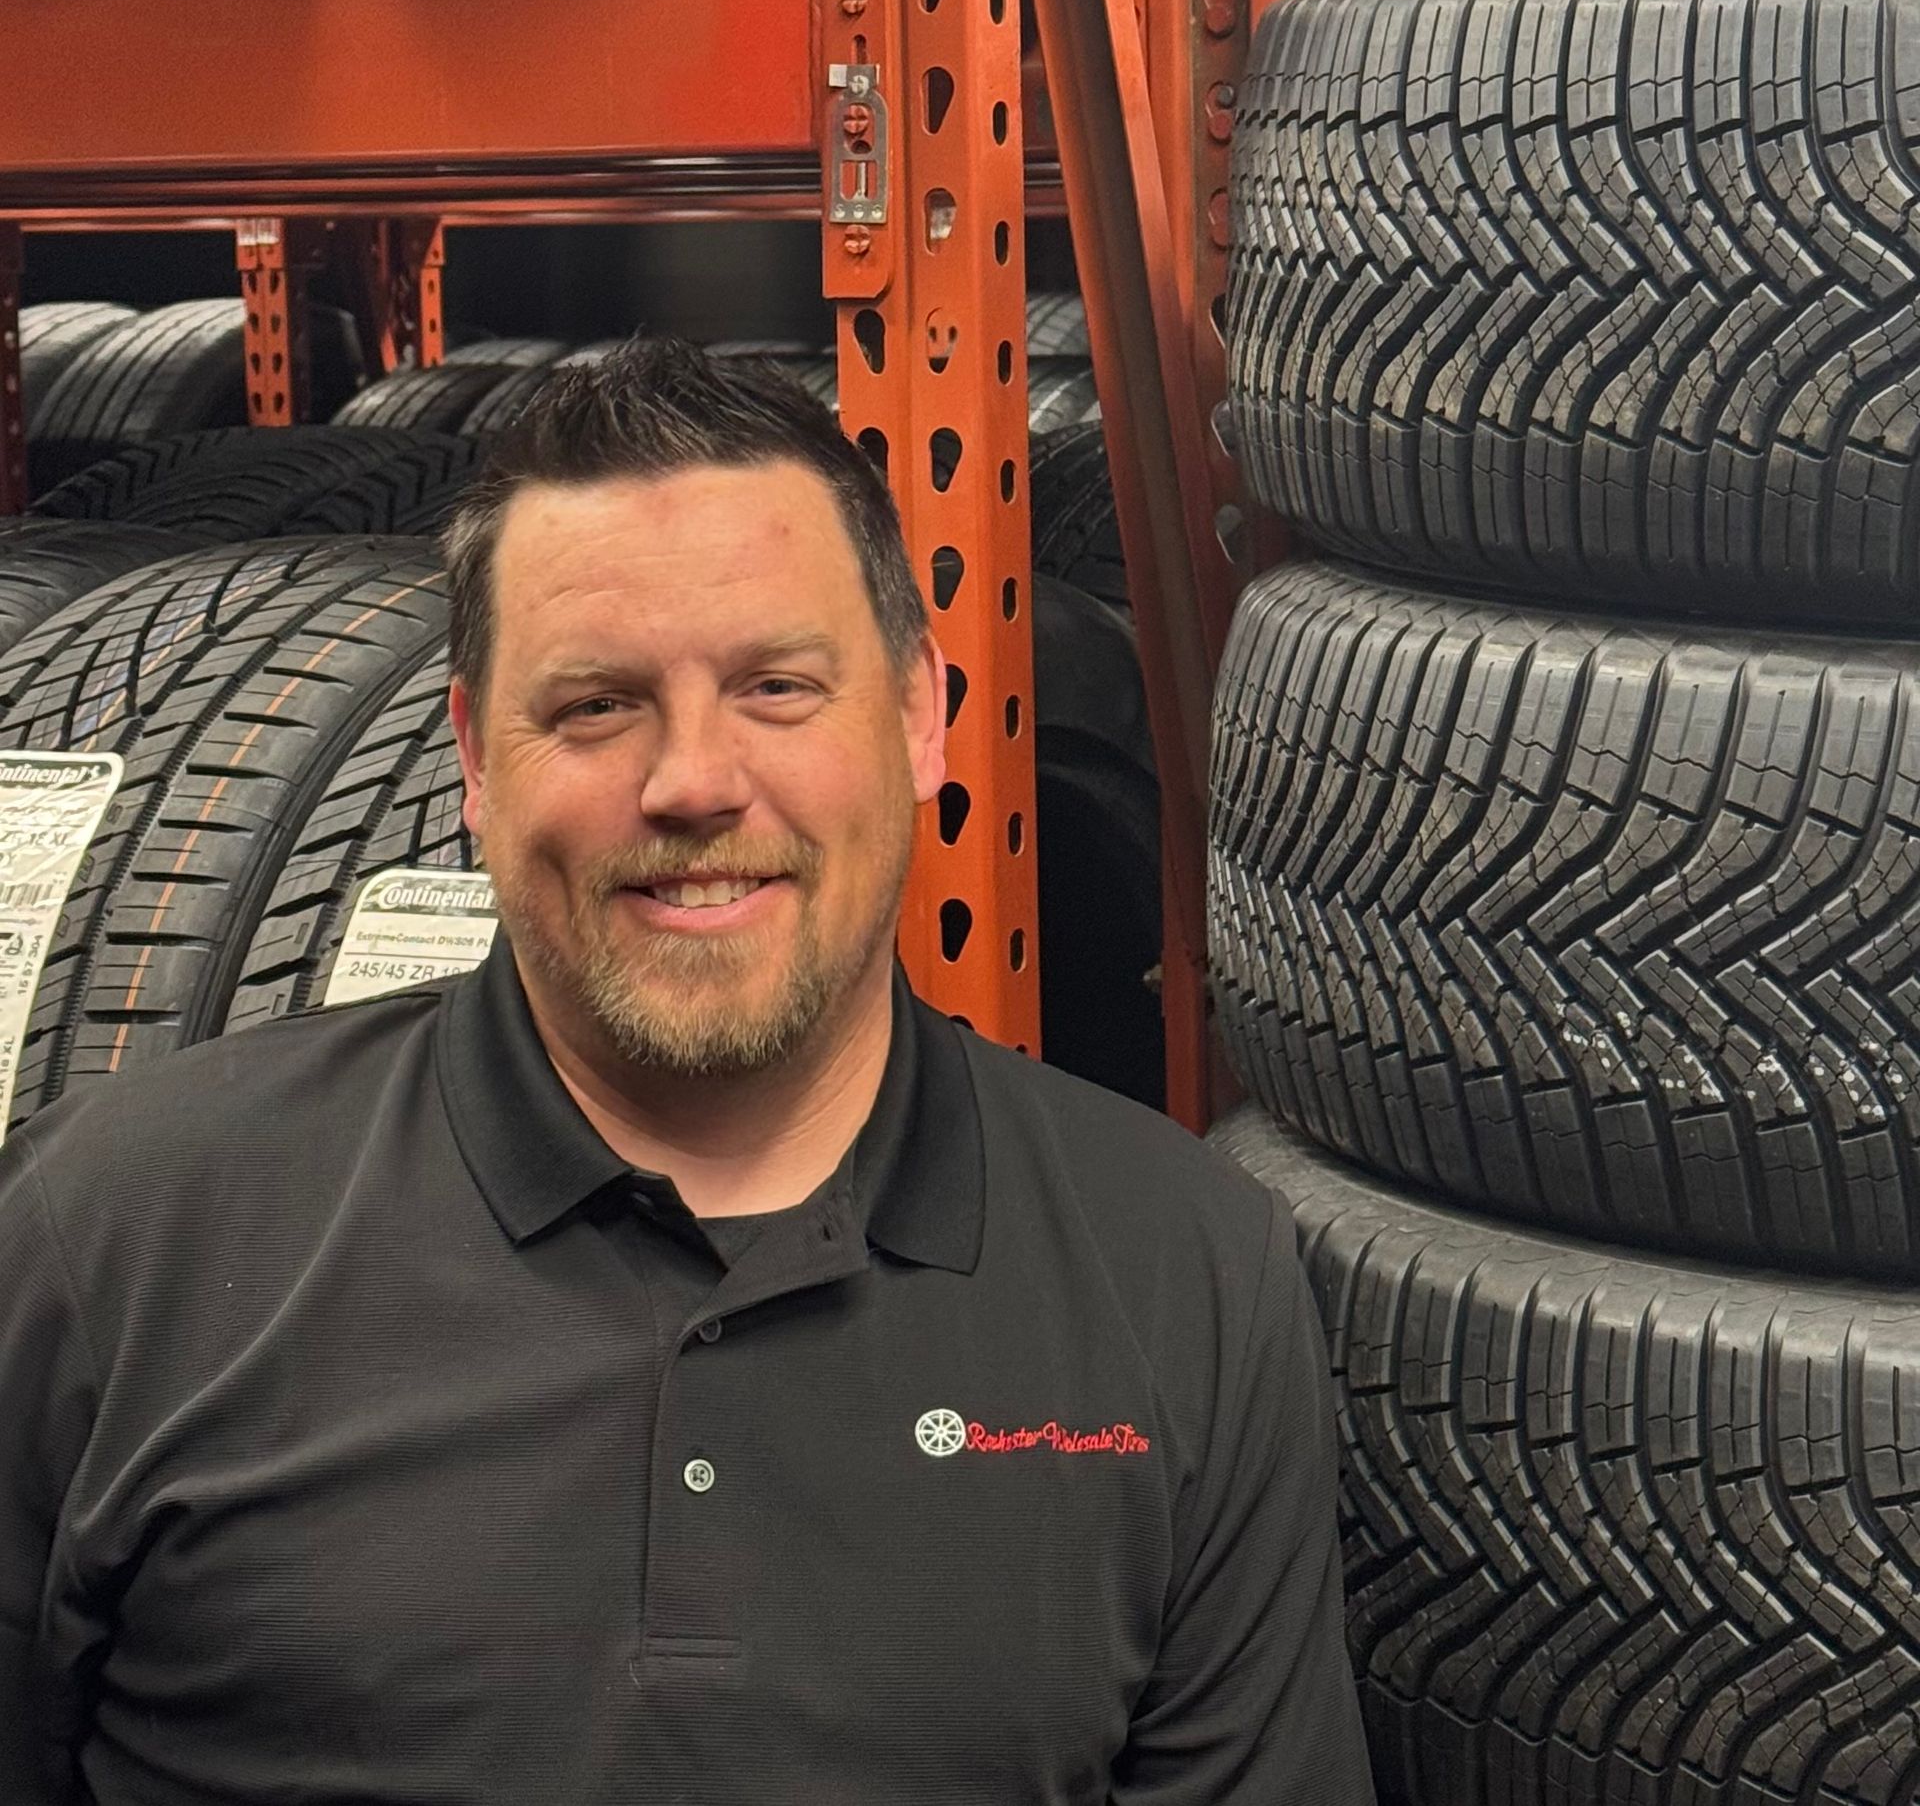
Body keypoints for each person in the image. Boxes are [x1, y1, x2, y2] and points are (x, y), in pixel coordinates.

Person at [0, 338, 1375, 1804]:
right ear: (475, 760)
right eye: (595, 705)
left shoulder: (1184, 1273)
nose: (695, 784)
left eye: (777, 685)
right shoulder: (113, 1237)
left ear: (921, 715)